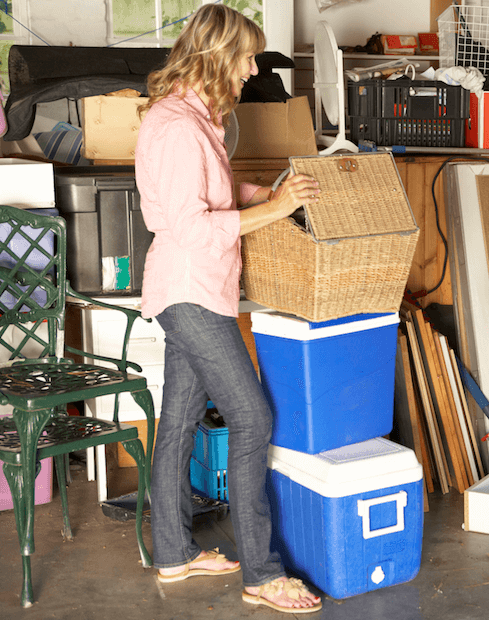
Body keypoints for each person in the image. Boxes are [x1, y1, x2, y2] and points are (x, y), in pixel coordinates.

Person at [135, 4, 322, 613]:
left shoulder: (197, 120)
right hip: (190, 291)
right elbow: (191, 227)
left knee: (180, 424)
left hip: (197, 290)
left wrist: (263, 195)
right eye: (245, 57)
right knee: (252, 419)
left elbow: (211, 191)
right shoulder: (178, 126)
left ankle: (173, 553)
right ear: (218, 56)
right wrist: (272, 210)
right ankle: (263, 574)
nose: (251, 69)